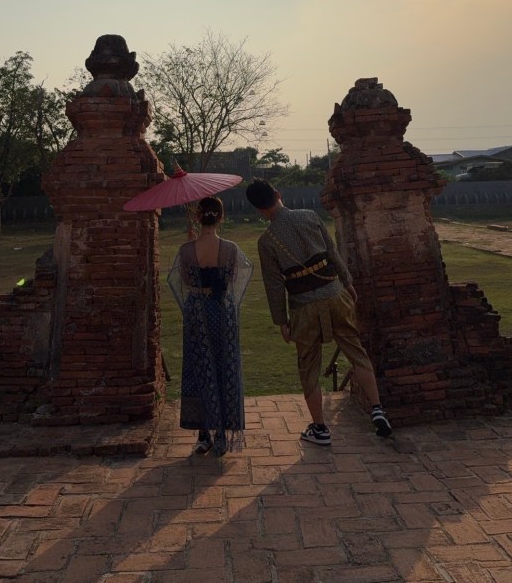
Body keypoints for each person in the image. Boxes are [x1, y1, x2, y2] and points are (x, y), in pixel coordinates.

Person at [245, 178, 391, 446]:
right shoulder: (309, 216)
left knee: (308, 365)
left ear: (258, 209)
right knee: (355, 350)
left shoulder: (266, 241)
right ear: (278, 194)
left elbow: (275, 284)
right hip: (334, 294)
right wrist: (347, 282)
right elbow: (332, 252)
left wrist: (281, 320)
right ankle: (377, 409)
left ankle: (320, 429)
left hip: (303, 306)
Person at [167, 196, 253, 456]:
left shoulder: (185, 250)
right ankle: (221, 434)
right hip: (222, 311)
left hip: (196, 310)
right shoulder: (231, 248)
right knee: (224, 365)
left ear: (197, 217)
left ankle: (203, 434)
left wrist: (192, 245)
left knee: (199, 367)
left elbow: (182, 279)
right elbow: (234, 278)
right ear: (221, 218)